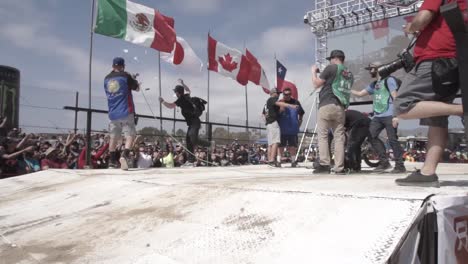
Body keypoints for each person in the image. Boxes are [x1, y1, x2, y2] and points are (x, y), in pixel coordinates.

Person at [393, 0, 465, 187]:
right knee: (437, 118)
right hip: (456, 59)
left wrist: (411, 27)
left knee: (402, 105)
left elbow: (423, 18)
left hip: (435, 58)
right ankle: (428, 172)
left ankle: (463, 109)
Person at [351, 62, 406, 173]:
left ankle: (400, 166)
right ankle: (384, 162)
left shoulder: (389, 80)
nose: (369, 71)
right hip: (378, 116)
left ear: (378, 69)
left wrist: (396, 116)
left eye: (371, 69)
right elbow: (360, 94)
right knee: (371, 136)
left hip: (390, 114)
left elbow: (396, 98)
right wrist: (345, 89)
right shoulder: (374, 84)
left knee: (392, 140)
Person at [311, 50, 354, 174]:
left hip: (326, 104)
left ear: (335, 58)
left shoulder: (331, 68)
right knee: (339, 138)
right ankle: (339, 167)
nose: (329, 61)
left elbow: (316, 84)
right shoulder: (349, 73)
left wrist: (313, 73)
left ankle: (324, 165)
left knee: (323, 135)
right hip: (340, 107)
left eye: (330, 59)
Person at [159, 79, 210, 164]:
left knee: (192, 138)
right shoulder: (186, 96)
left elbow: (171, 106)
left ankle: (209, 144)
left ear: (178, 93)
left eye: (176, 92)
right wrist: (183, 83)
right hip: (192, 123)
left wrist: (162, 101)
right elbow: (188, 90)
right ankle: (191, 160)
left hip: (195, 122)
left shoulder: (181, 99)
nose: (175, 94)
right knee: (189, 140)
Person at [103, 57, 139, 170]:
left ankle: (112, 162)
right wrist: (133, 79)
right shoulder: (125, 75)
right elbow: (136, 88)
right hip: (126, 110)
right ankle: (125, 154)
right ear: (123, 66)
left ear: (113, 66)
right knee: (130, 134)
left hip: (113, 112)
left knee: (113, 137)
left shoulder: (106, 79)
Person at [263, 88, 298, 167]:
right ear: (273, 93)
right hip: (273, 123)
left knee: (270, 144)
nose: (278, 95)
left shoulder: (267, 103)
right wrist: (291, 105)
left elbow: (264, 114)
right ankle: (272, 160)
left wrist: (279, 111)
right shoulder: (272, 99)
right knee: (276, 142)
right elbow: (280, 104)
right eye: (277, 93)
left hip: (268, 123)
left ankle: (270, 160)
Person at [278, 87, 305, 167]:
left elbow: (301, 113)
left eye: (289, 94)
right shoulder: (280, 102)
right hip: (282, 129)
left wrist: (300, 121)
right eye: (285, 94)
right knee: (281, 146)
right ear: (283, 94)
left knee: (293, 146)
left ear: (291, 94)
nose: (287, 96)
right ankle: (278, 161)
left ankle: (293, 162)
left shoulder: (296, 102)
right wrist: (280, 110)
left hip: (293, 129)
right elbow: (275, 114)